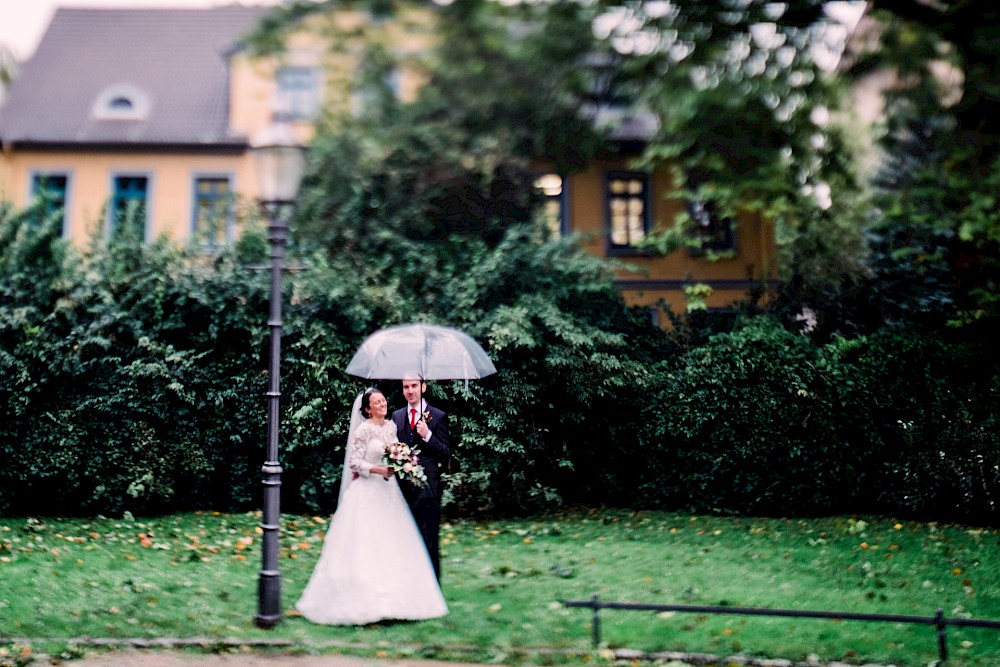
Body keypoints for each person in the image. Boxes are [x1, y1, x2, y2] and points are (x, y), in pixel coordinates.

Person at [295, 387, 447, 625]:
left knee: (393, 542)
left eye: (383, 400)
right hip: (367, 491)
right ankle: (363, 600)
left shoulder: (391, 427)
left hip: (389, 491)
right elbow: (354, 462)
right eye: (376, 402)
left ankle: (396, 600)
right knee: (366, 542)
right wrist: (377, 470)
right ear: (367, 408)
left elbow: (398, 452)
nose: (382, 404)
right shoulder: (363, 430)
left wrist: (405, 462)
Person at [392, 377, 450, 581]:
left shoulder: (438, 416)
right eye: (406, 387)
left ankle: (433, 589)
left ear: (423, 387)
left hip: (428, 489)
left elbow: (445, 452)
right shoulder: (397, 416)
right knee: (405, 540)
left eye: (414, 386)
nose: (410, 390)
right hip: (403, 490)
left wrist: (427, 435)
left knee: (429, 539)